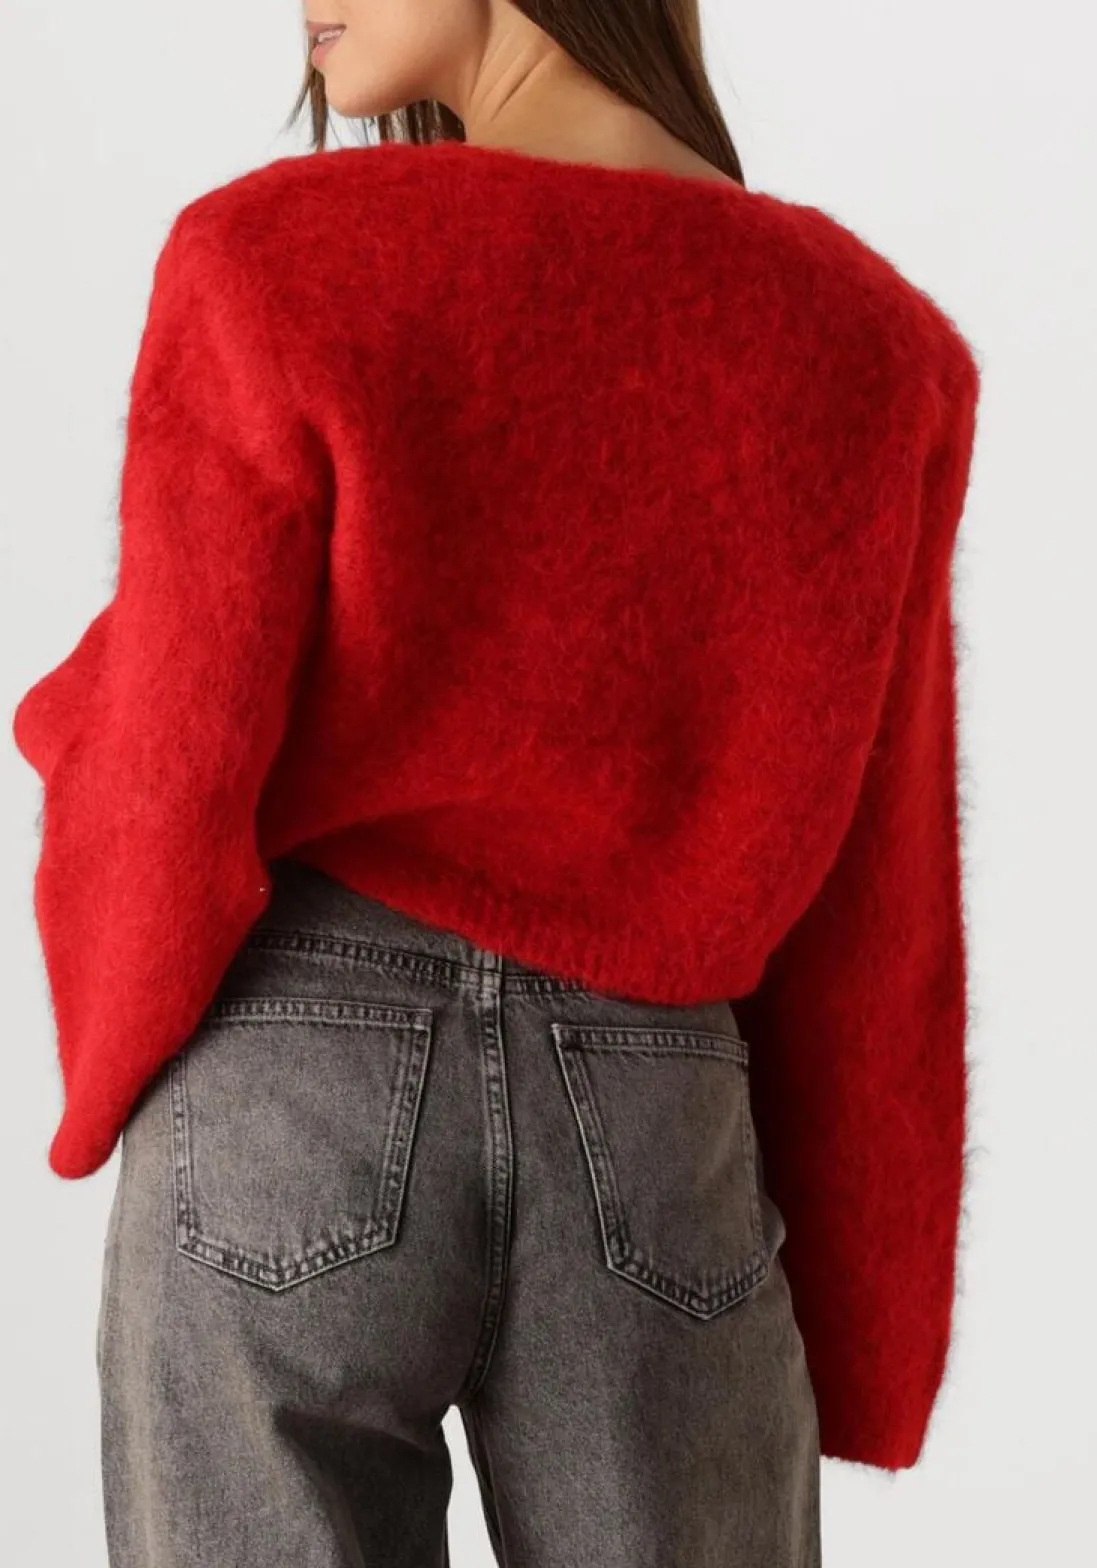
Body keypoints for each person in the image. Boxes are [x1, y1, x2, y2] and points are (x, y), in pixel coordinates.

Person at [10, 2, 981, 1564]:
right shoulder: (873, 347)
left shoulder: (276, 260)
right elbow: (884, 914)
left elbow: (169, 764)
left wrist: (108, 1047)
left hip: (292, 1084)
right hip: (659, 1109)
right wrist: (869, 1342)